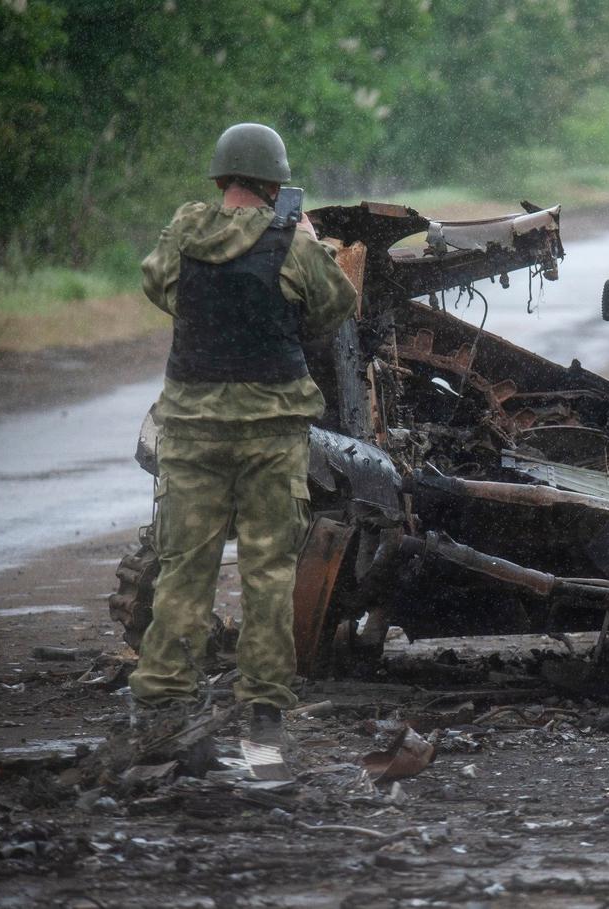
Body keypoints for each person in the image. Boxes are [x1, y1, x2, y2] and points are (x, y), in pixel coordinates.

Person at [127, 123, 359, 747]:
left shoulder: (183, 232)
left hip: (193, 430)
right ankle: (263, 707)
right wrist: (310, 244)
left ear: (223, 177)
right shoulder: (294, 242)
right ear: (275, 182)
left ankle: (163, 700)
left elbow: (158, 285)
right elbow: (336, 307)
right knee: (268, 570)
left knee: (184, 566)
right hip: (270, 433)